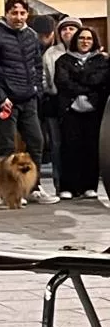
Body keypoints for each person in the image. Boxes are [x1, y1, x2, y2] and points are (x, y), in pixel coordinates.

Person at [0, 0, 56, 203]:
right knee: (6, 146)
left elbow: (37, 66)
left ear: (27, 14)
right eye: (14, 13)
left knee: (36, 141)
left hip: (28, 98)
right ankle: (8, 191)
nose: (19, 17)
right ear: (6, 14)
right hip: (5, 101)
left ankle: (33, 186)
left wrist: (36, 89)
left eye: (22, 13)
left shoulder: (31, 36)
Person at [53, 26, 108, 200]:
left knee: (91, 149)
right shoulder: (63, 60)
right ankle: (68, 186)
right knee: (70, 149)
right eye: (82, 38)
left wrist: (78, 79)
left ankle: (89, 186)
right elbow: (63, 82)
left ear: (94, 42)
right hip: (71, 110)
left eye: (89, 39)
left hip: (94, 111)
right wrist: (86, 84)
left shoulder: (102, 61)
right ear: (76, 40)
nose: (85, 42)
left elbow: (100, 81)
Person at [41, 16, 82, 196]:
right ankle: (61, 184)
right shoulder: (50, 53)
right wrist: (50, 90)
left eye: (72, 29)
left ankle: (81, 184)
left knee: (79, 144)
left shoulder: (88, 52)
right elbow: (43, 77)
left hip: (82, 105)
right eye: (64, 29)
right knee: (57, 145)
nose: (68, 32)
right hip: (56, 103)